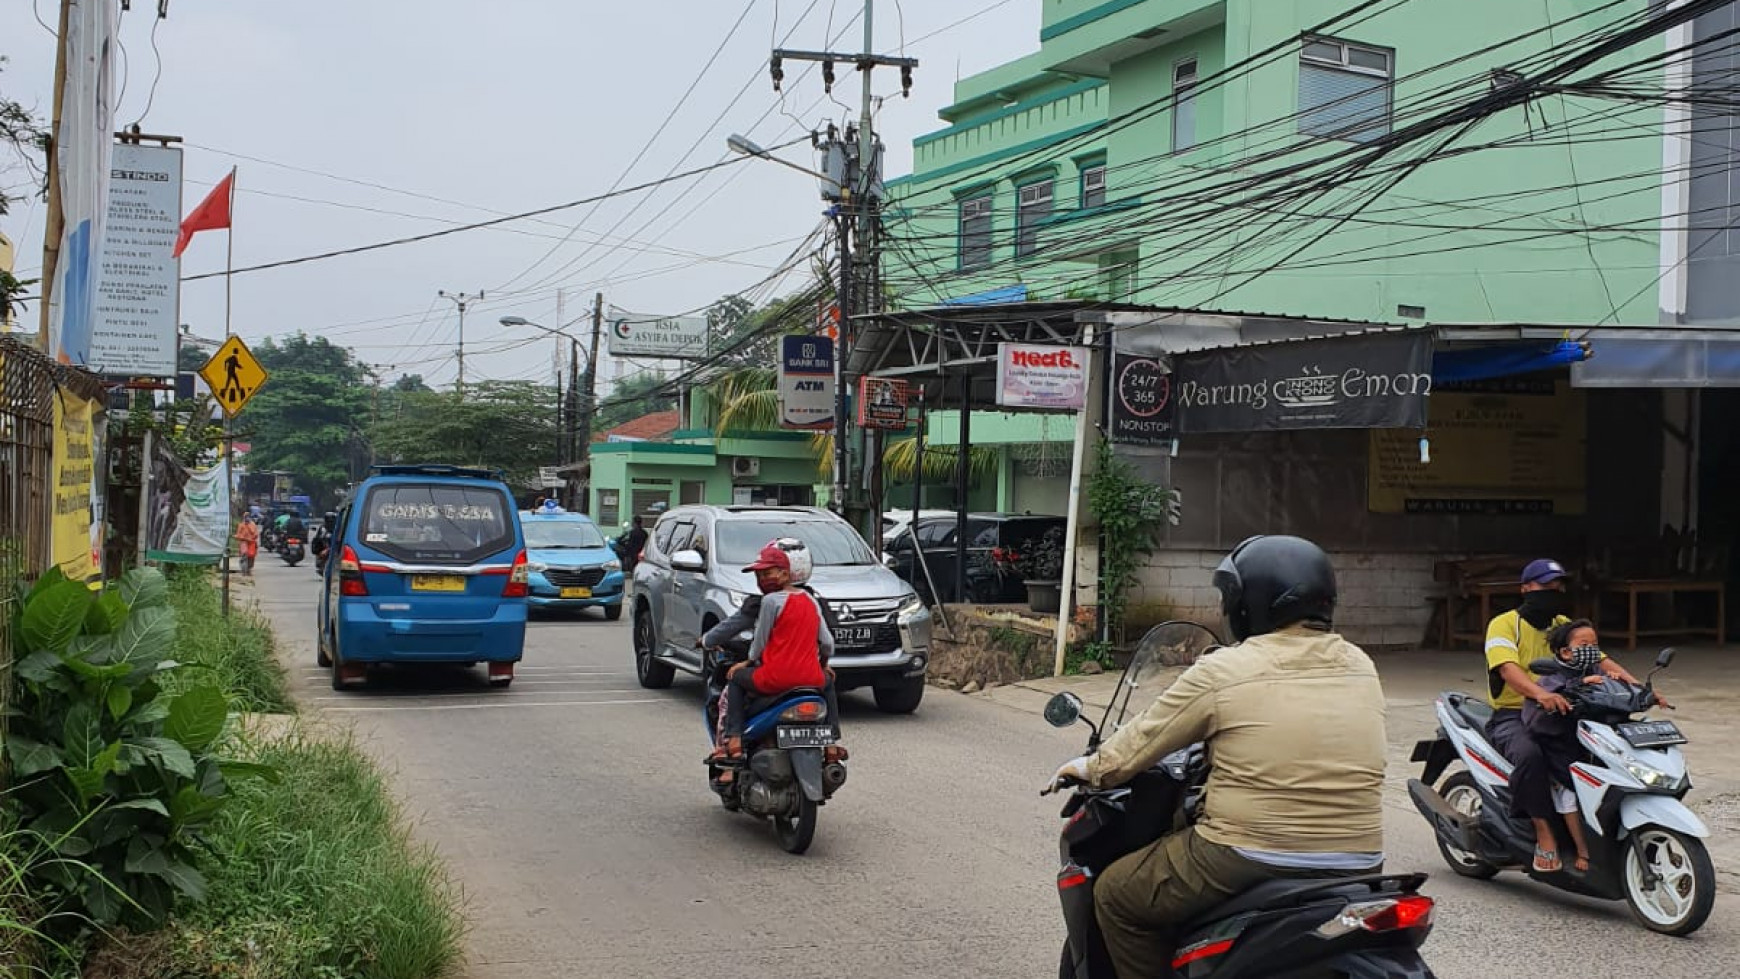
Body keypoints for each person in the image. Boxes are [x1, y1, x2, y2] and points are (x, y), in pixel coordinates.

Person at [1047, 535, 1386, 979]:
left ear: (1251, 604)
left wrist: (1087, 767)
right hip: (1362, 861)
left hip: (1249, 854)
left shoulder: (1227, 667)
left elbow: (1142, 739)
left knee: (1115, 895)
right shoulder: (1360, 664)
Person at [1483, 559, 1641, 872]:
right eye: (1545, 585)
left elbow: (1602, 661)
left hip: (1568, 709)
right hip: (1516, 714)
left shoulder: (1564, 624)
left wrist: (1638, 687)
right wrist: (1540, 693)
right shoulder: (1504, 624)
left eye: (1558, 585)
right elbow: (1507, 668)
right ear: (1526, 588)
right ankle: (1544, 834)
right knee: (1531, 756)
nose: (1553, 591)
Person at [711, 539, 844, 777]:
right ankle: (832, 742)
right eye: (759, 575)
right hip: (810, 679)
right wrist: (823, 666)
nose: (762, 580)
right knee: (828, 684)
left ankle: (734, 739)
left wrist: (748, 662)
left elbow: (759, 642)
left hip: (774, 678)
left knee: (736, 679)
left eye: (767, 574)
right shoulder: (811, 600)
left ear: (785, 573)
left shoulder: (769, 601)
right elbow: (828, 644)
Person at [617, 515, 648, 596]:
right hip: (641, 555)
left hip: (634, 556)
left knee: (634, 574)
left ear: (634, 523)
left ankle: (635, 593)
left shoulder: (632, 532)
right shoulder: (644, 533)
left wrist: (627, 550)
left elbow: (630, 544)